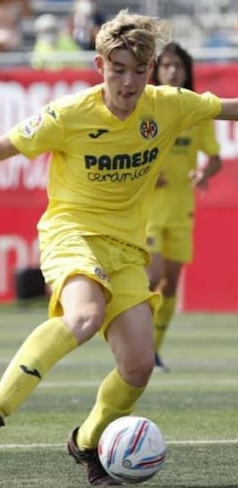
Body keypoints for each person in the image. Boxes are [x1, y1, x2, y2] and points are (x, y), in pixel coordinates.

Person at [0, 9, 238, 486]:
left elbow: (230, 107)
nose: (129, 82)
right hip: (70, 233)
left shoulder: (171, 105)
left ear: (151, 67)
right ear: (99, 66)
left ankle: (89, 443)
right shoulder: (70, 114)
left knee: (137, 365)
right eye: (118, 69)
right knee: (84, 316)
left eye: (139, 70)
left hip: (126, 249)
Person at [146, 42, 222, 372]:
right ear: (156, 70)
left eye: (178, 65)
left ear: (187, 70)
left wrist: (203, 173)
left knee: (172, 285)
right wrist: (149, 174)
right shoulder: (144, 108)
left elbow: (215, 158)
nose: (173, 71)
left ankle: (153, 351)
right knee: (153, 278)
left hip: (181, 209)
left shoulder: (197, 111)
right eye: (166, 65)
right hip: (149, 211)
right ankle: (136, 346)